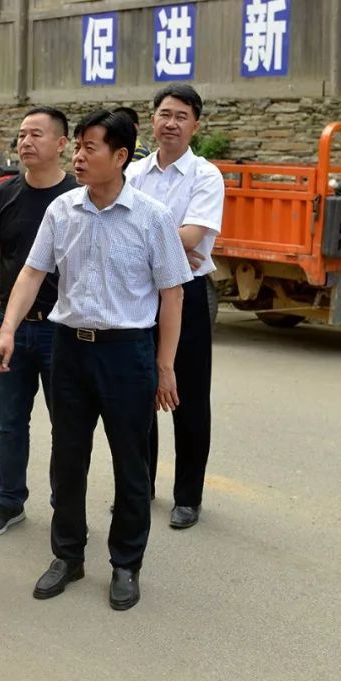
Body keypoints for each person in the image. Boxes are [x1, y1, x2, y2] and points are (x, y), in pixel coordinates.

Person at [0, 109, 192, 611]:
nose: (78, 157)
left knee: (130, 464)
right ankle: (68, 555)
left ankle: (126, 563)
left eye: (90, 148)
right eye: (76, 146)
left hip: (128, 354)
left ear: (120, 156)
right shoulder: (63, 211)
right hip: (70, 349)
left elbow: (173, 296)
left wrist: (165, 366)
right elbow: (32, 275)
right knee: (68, 457)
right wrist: (7, 329)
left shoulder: (152, 218)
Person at [0, 106, 77, 537]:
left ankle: (64, 505)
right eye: (21, 135)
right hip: (13, 326)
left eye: (37, 134)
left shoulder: (77, 196)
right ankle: (8, 500)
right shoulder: (4, 195)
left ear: (61, 144)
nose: (26, 142)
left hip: (62, 330)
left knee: (66, 425)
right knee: (11, 422)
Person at [126, 84, 225, 530]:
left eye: (181, 116)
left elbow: (195, 234)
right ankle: (140, 486)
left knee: (188, 398)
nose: (171, 123)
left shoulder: (205, 176)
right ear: (153, 120)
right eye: (165, 114)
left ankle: (188, 496)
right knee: (138, 395)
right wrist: (166, 248)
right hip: (138, 296)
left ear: (195, 125)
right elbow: (120, 228)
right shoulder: (133, 174)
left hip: (188, 296)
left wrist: (148, 246)